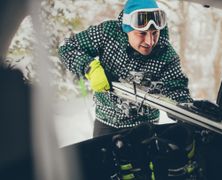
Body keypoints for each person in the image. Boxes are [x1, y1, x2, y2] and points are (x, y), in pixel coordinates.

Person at [58, 0, 193, 137]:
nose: (150, 41)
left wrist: (186, 109)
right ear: (127, 29)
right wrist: (89, 67)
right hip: (106, 121)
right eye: (142, 34)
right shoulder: (107, 34)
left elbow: (177, 90)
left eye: (154, 33)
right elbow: (67, 47)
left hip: (145, 127)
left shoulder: (166, 55)